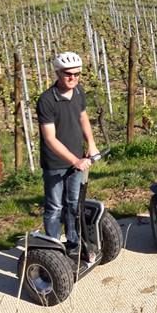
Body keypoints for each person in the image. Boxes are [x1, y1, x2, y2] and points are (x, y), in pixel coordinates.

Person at [36, 52, 99, 256]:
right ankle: (53, 249)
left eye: (77, 74)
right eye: (68, 74)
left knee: (74, 204)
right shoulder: (46, 100)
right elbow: (50, 139)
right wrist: (75, 160)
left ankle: (73, 242)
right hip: (55, 163)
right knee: (55, 207)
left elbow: (82, 117)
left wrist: (91, 143)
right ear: (58, 73)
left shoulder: (79, 92)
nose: (73, 78)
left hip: (77, 160)